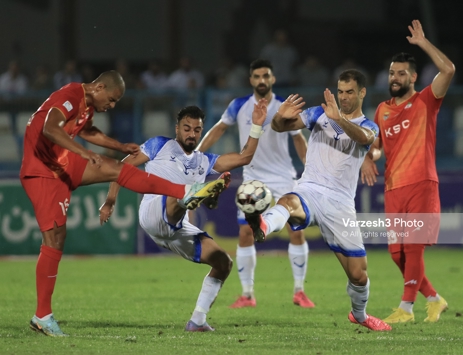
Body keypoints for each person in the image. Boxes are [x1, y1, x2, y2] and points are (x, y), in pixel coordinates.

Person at [21, 70, 226, 337]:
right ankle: (42, 316)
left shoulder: (87, 103)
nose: (113, 106)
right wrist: (85, 153)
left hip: (61, 162)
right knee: (55, 239)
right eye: (113, 99)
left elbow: (89, 131)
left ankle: (185, 190)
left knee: (119, 169)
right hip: (42, 170)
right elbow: (50, 128)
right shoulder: (70, 95)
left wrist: (118, 146)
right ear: (100, 87)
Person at [243, 69, 392, 331]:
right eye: (340, 92)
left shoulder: (369, 126)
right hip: (310, 188)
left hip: (341, 204)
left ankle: (360, 315)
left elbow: (365, 139)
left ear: (362, 93)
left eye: (349, 92)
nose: (343, 97)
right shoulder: (319, 114)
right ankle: (262, 226)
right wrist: (279, 116)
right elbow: (280, 128)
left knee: (359, 275)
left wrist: (340, 120)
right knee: (289, 201)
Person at [99, 103, 268, 332]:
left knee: (223, 262)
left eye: (197, 130)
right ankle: (199, 192)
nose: (192, 134)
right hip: (153, 211)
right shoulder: (159, 145)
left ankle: (197, 320)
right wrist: (110, 201)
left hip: (177, 227)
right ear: (177, 128)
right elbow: (121, 168)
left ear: (201, 131)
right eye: (186, 128)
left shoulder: (204, 160)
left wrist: (257, 125)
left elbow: (244, 157)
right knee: (177, 191)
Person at [197, 59, 313, 309]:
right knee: (246, 232)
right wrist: (195, 155)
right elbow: (218, 130)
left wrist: (309, 166)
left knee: (297, 230)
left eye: (266, 76)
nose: (262, 80)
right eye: (257, 76)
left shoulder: (283, 106)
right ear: (251, 80)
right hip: (252, 179)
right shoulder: (238, 106)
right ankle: (248, 294)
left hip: (284, 176)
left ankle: (299, 291)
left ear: (272, 79)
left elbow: (298, 138)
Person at [360, 20, 455, 324]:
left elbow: (449, 70)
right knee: (396, 254)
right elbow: (377, 147)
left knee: (412, 248)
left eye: (402, 73)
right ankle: (434, 299)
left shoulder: (426, 100)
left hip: (421, 182)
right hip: (393, 187)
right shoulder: (382, 110)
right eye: (391, 73)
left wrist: (424, 43)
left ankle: (406, 308)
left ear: (413, 77)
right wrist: (368, 158)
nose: (395, 77)